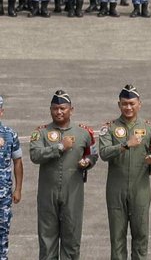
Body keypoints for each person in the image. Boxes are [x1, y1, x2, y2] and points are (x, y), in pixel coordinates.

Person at [99, 84, 151, 260]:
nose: (128, 107)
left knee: (141, 236)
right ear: (119, 104)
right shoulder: (109, 128)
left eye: (132, 103)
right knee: (117, 238)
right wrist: (124, 145)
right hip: (116, 190)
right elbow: (104, 153)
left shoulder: (150, 129)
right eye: (124, 104)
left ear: (139, 104)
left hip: (141, 190)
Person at [29, 89, 97, 260]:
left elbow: (93, 154)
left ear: (71, 110)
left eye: (63, 108)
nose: (59, 112)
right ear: (50, 110)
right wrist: (59, 147)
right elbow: (35, 155)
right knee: (47, 241)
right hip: (47, 194)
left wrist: (87, 162)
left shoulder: (84, 133)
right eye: (55, 108)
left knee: (72, 240)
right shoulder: (41, 132)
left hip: (73, 193)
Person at [0, 94, 23, 260]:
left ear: (1, 112)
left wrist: (18, 189)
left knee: (3, 231)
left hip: (4, 196)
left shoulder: (10, 134)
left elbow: (18, 162)